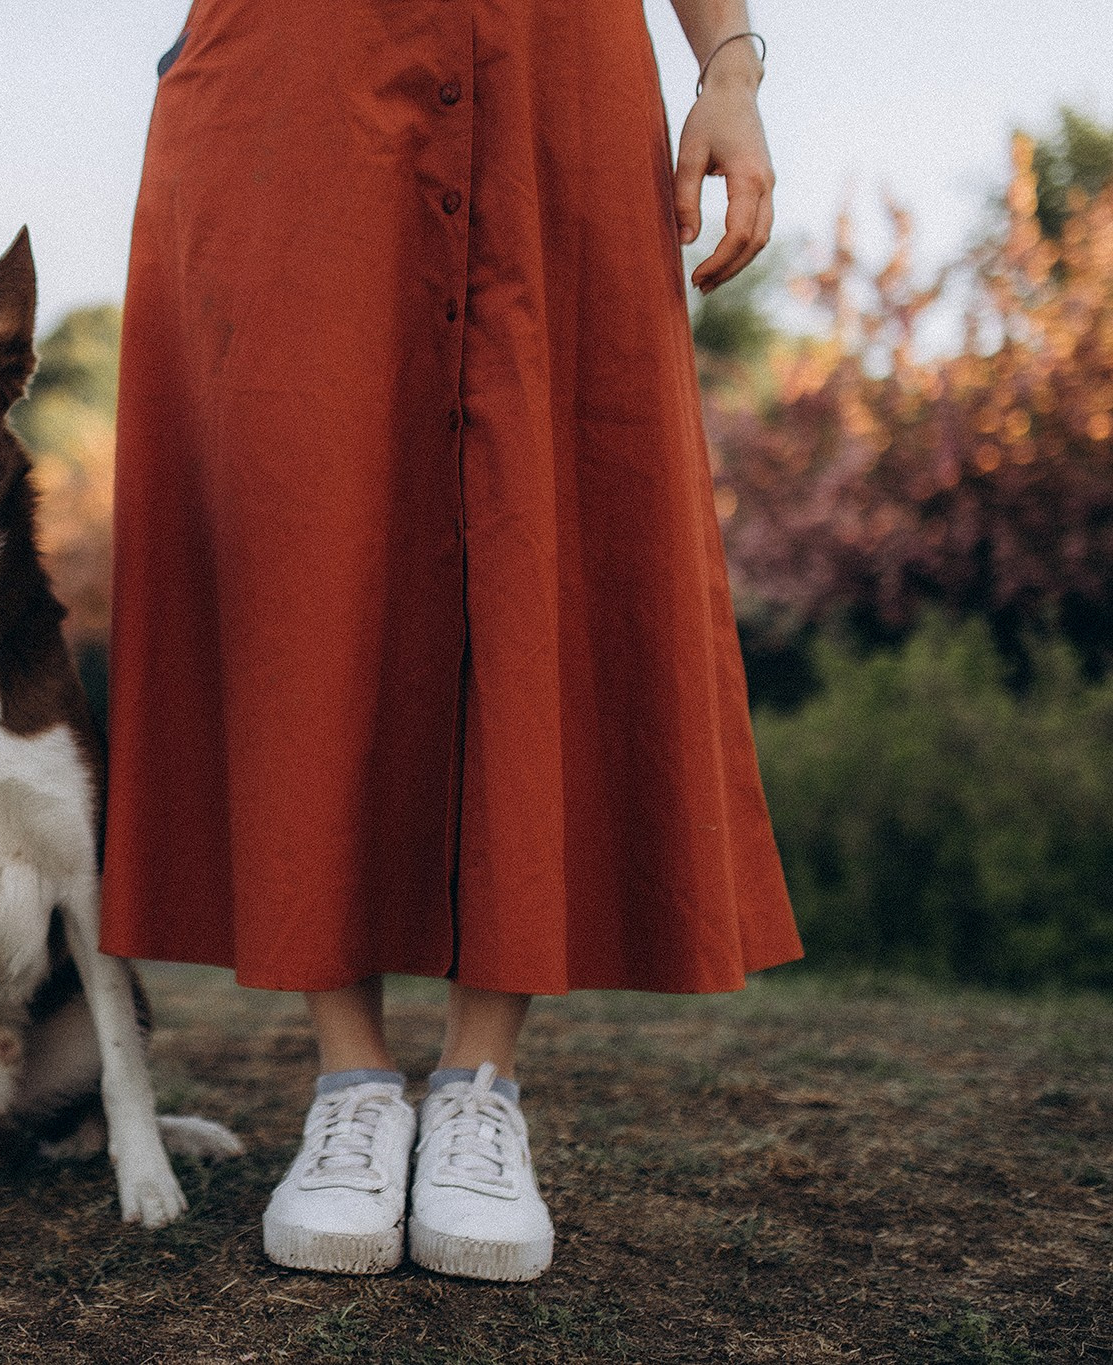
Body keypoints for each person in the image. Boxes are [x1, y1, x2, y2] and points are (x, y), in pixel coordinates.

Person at [100, 0, 802, 1281]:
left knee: (541, 512)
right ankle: (351, 1087)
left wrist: (729, 69)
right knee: (296, 534)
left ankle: (480, 1088)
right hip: (292, 85)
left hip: (552, 79)